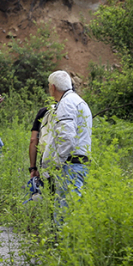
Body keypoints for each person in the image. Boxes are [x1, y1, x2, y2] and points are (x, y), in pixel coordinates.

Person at [38, 70, 93, 217]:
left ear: (53, 87)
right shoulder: (77, 101)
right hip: (78, 164)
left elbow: (66, 138)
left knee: (64, 214)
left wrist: (56, 163)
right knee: (71, 210)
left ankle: (61, 240)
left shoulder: (66, 104)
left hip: (70, 165)